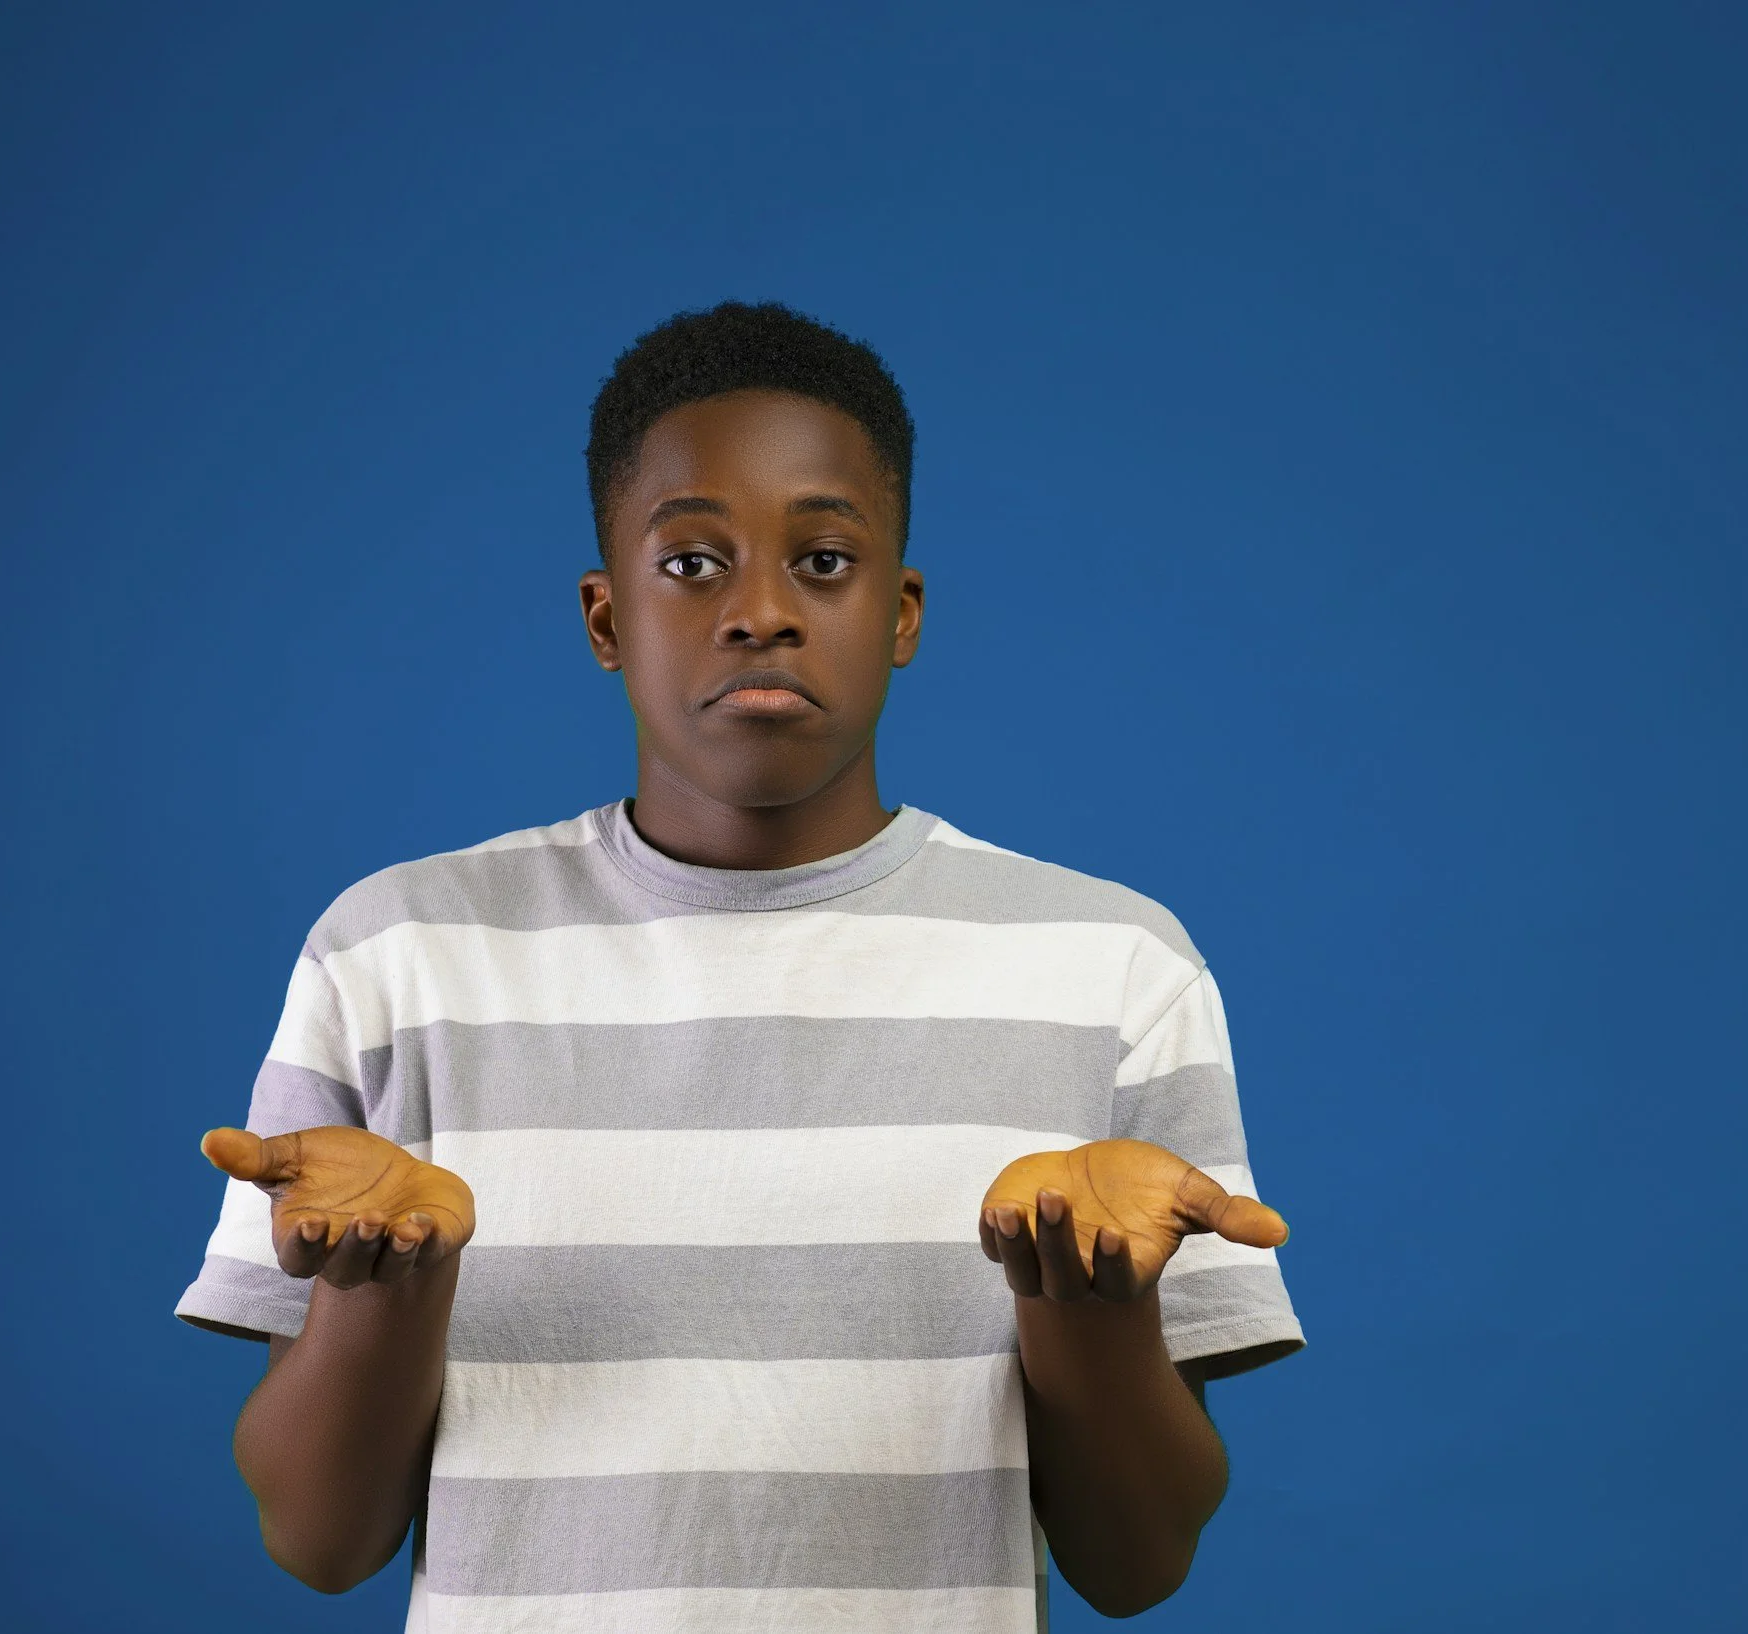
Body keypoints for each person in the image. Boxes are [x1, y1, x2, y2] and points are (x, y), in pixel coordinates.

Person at [173, 299, 1306, 1632]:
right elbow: (317, 1537)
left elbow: (1138, 1562)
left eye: (823, 560)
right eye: (694, 563)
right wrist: (387, 1290)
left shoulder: (1115, 969)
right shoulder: (397, 957)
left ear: (903, 611)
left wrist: (1086, 1303)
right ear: (605, 617)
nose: (762, 609)